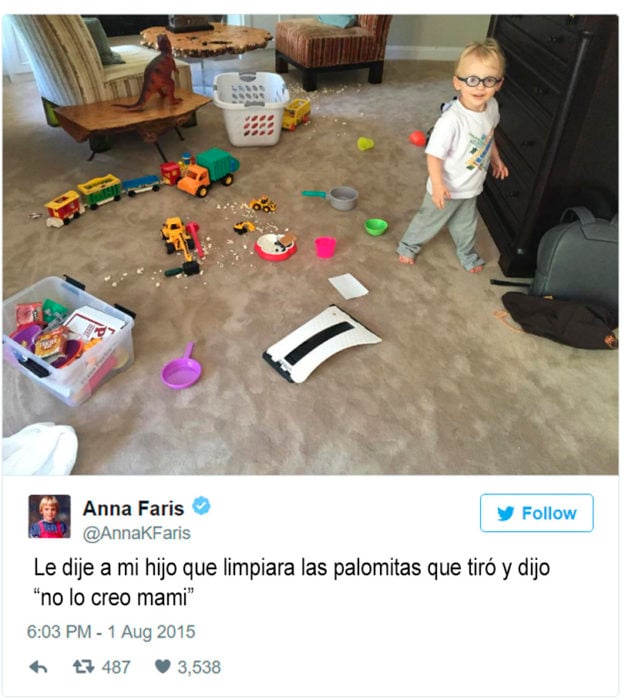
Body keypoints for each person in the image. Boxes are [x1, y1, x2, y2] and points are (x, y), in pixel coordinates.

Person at [397, 38, 509, 273]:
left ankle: (467, 255)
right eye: (472, 80)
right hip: (445, 188)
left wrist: (496, 160)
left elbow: (489, 137)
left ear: (499, 84)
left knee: (467, 226)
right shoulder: (451, 121)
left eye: (488, 81)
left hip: (471, 186)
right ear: (457, 83)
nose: (480, 87)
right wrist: (437, 185)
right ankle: (408, 246)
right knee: (429, 219)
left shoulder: (492, 108)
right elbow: (433, 155)